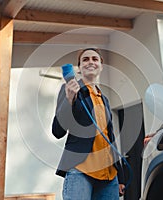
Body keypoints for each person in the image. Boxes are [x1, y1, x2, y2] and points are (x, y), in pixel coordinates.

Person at [52, 48, 125, 200]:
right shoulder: (69, 90)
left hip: (109, 176)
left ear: (101, 66)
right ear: (79, 68)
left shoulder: (103, 99)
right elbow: (57, 131)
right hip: (81, 171)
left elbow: (109, 137)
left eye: (94, 59)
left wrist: (120, 176)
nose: (90, 62)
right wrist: (69, 100)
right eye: (85, 59)